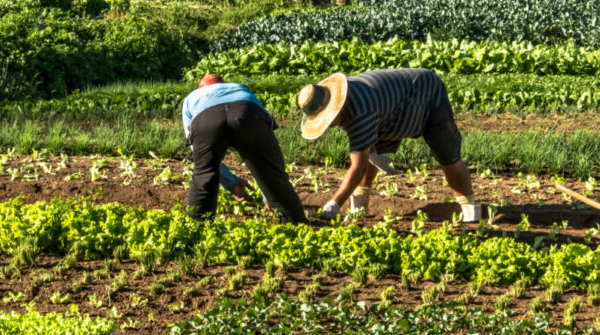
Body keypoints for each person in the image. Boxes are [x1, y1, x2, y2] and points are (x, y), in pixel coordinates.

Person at [297, 69, 480, 222]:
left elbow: (358, 167)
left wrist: (334, 204)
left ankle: (471, 212)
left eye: (327, 120)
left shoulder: (359, 111)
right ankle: (359, 209)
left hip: (426, 95)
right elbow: (364, 145)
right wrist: (372, 152)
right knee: (367, 152)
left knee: (448, 157)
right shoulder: (347, 101)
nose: (328, 125)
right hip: (391, 111)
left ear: (336, 107)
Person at [182, 74, 309, 224]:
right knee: (271, 172)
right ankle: (296, 228)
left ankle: (195, 232)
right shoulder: (239, 88)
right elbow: (265, 158)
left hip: (207, 120)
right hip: (246, 111)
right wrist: (268, 195)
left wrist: (232, 183)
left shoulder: (192, 98)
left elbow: (197, 152)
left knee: (204, 174)